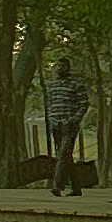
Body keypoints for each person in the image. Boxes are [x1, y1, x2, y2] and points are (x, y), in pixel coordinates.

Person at [44, 57, 90, 194]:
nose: (60, 69)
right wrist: (51, 118)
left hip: (69, 124)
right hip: (56, 124)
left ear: (68, 68)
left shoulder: (76, 84)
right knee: (65, 156)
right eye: (58, 66)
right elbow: (49, 104)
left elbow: (83, 104)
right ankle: (76, 187)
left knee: (62, 154)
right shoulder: (52, 85)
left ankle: (58, 186)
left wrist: (74, 119)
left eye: (63, 66)